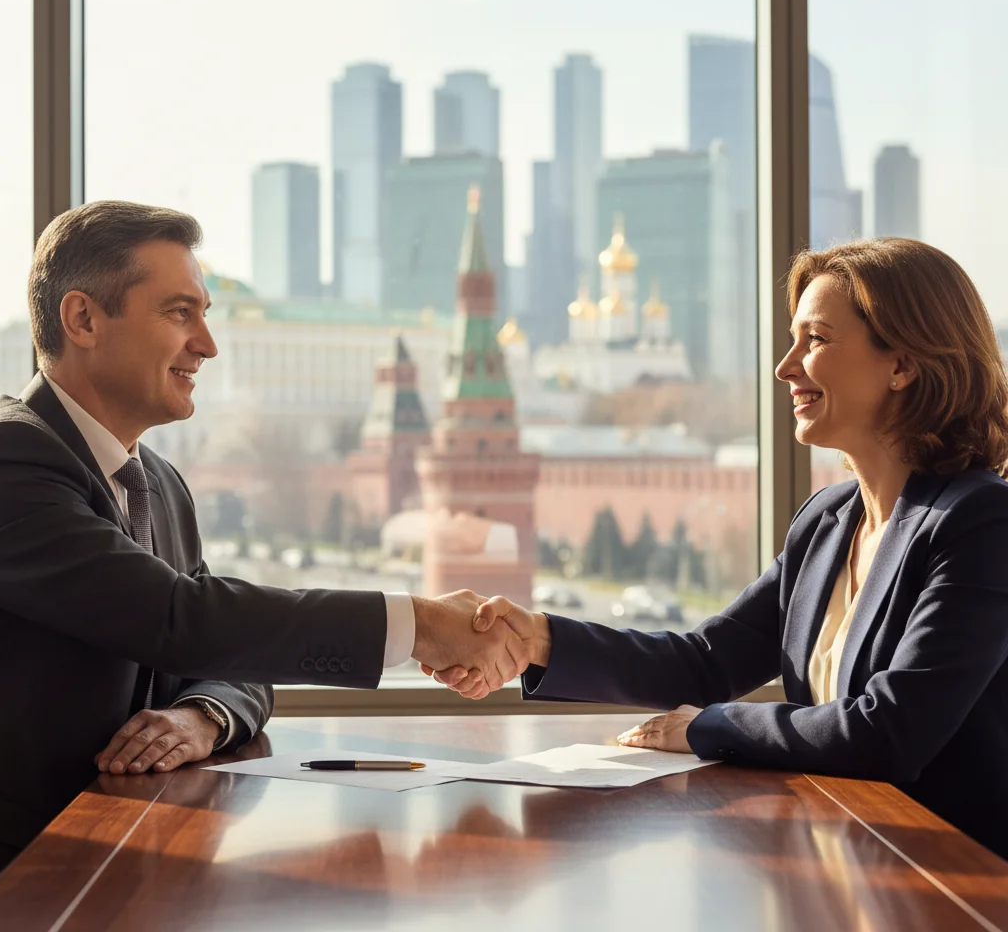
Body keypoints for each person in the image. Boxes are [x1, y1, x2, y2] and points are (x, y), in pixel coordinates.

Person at [0, 201, 524, 883]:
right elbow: (179, 618)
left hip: (134, 860)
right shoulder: (4, 464)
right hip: (23, 880)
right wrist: (416, 624)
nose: (207, 345)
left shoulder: (159, 483)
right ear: (83, 319)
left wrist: (201, 716)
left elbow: (232, 656)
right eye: (179, 314)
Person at [429, 238, 1008, 860]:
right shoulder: (826, 522)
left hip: (952, 879)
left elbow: (890, 730)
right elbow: (706, 662)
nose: (786, 367)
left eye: (814, 340)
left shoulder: (981, 523)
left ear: (903, 364)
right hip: (842, 855)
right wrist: (537, 637)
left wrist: (706, 727)